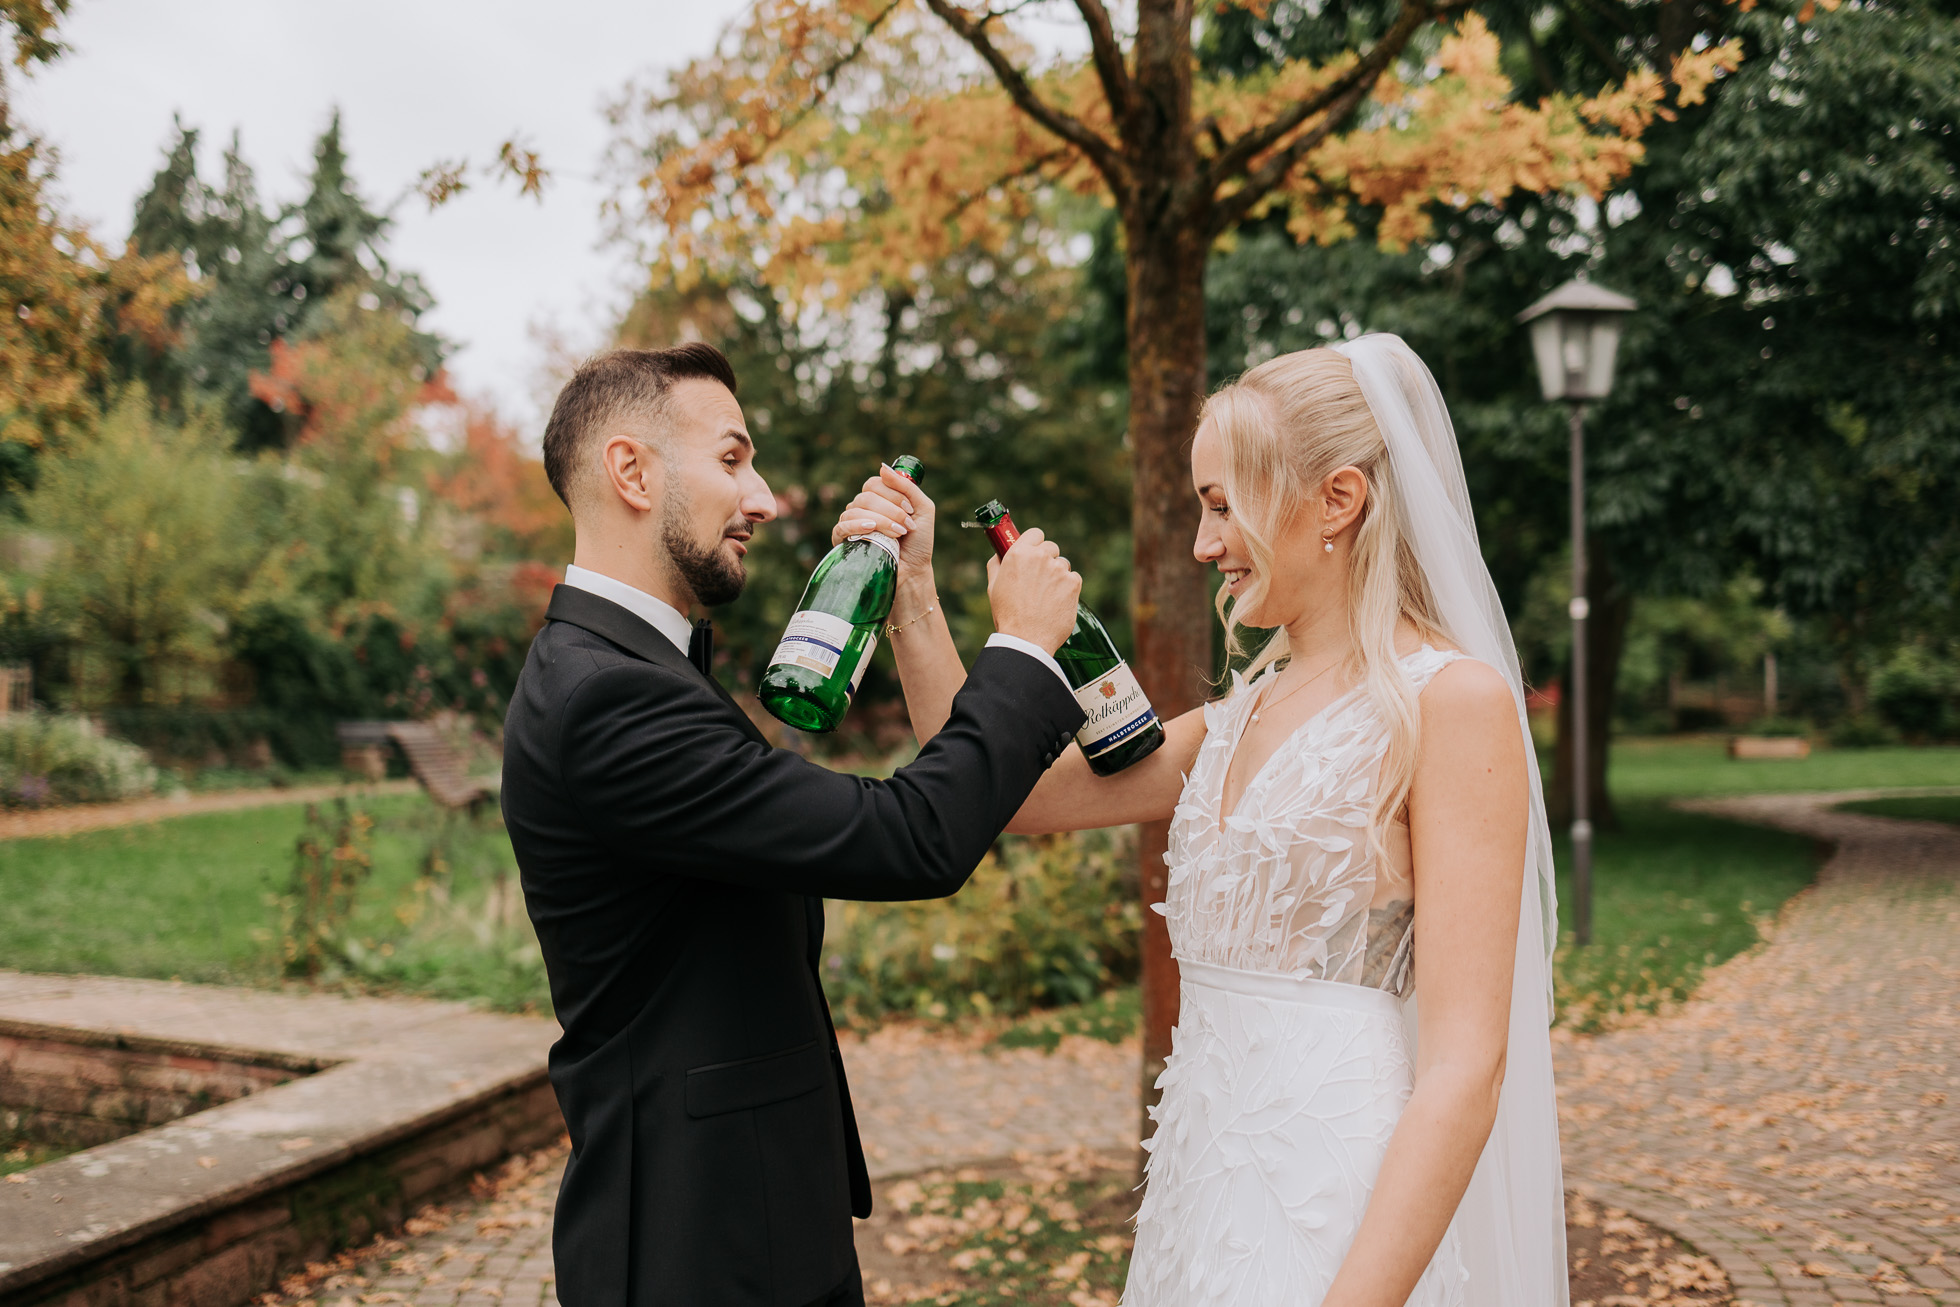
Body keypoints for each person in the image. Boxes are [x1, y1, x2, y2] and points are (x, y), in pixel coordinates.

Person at [832, 334, 1566, 1307]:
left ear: (1336, 500)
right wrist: (913, 598)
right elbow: (1006, 794)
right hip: (1198, 1197)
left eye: (1223, 505)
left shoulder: (1449, 702)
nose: (1201, 543)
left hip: (1338, 1211)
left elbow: (1467, 1067)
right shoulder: (1238, 715)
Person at [500, 343, 1089, 1307]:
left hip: (748, 1211)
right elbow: (910, 835)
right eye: (733, 459)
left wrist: (912, 593)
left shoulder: (630, 672)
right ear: (631, 471)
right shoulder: (608, 699)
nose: (764, 499)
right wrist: (1021, 648)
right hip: (697, 1245)